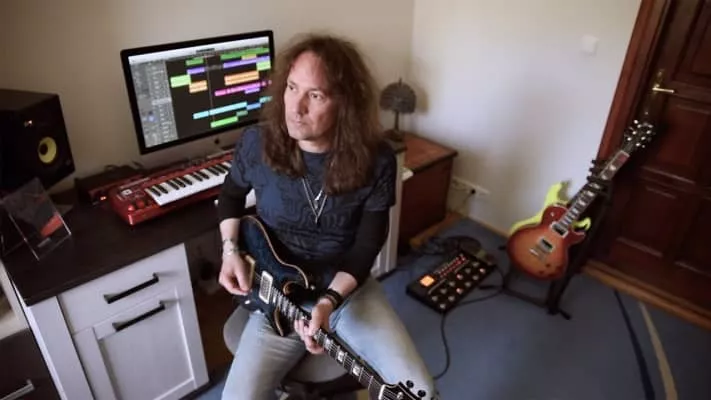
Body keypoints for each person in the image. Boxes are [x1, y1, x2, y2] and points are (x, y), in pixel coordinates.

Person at [217, 33, 439, 400]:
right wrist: (230, 251)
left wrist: (328, 301)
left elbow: (368, 244)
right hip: (276, 296)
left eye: (315, 95)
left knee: (421, 393)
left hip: (345, 291)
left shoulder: (377, 161)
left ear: (345, 104)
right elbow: (230, 196)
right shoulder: (256, 143)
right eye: (291, 88)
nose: (296, 107)